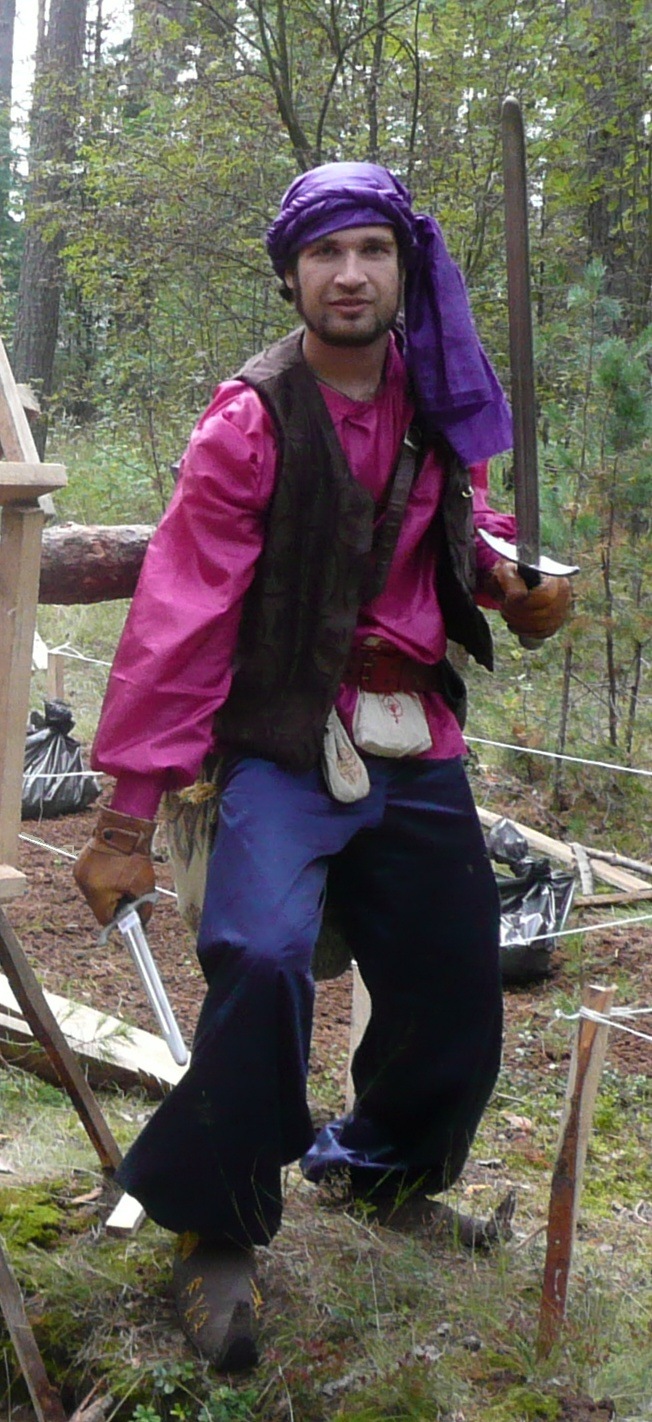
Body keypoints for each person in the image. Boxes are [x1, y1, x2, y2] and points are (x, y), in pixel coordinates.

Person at [73, 161, 571, 1372]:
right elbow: (182, 618)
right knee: (258, 958)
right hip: (284, 739)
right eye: (325, 254)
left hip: (416, 736)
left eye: (372, 252)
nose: (349, 275)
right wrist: (127, 819)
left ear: (403, 270)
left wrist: (512, 581)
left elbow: (463, 525)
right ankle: (216, 1226)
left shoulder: (441, 399)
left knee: (455, 981)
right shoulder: (248, 421)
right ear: (291, 275)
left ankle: (380, 1173)